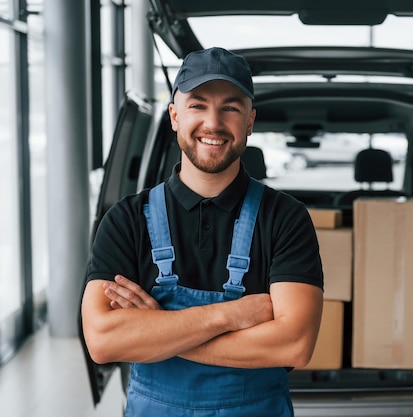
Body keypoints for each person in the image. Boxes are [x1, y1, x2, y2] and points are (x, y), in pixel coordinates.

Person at [81, 47, 324, 417]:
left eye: (230, 107)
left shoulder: (286, 219)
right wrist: (228, 316)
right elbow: (102, 341)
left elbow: (294, 345)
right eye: (197, 105)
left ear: (250, 121)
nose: (213, 122)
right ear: (175, 116)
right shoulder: (126, 220)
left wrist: (156, 330)